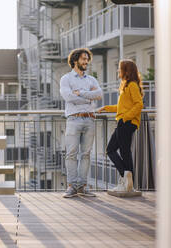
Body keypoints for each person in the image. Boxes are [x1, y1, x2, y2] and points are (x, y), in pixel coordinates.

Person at [60, 48, 102, 198]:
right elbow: (68, 97)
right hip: (73, 119)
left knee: (86, 154)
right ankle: (72, 186)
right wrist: (88, 98)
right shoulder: (66, 79)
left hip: (90, 119)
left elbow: (99, 94)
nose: (86, 62)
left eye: (87, 59)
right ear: (75, 60)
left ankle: (82, 186)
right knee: (71, 154)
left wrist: (81, 93)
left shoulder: (91, 79)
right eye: (83, 59)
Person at [97, 59, 144, 192]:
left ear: (126, 71)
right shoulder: (126, 86)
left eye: (120, 68)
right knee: (117, 150)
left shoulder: (132, 85)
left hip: (127, 123)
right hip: (124, 122)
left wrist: (125, 118)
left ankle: (127, 181)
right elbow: (122, 107)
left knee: (118, 150)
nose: (118, 71)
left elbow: (139, 104)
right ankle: (127, 180)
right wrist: (106, 108)